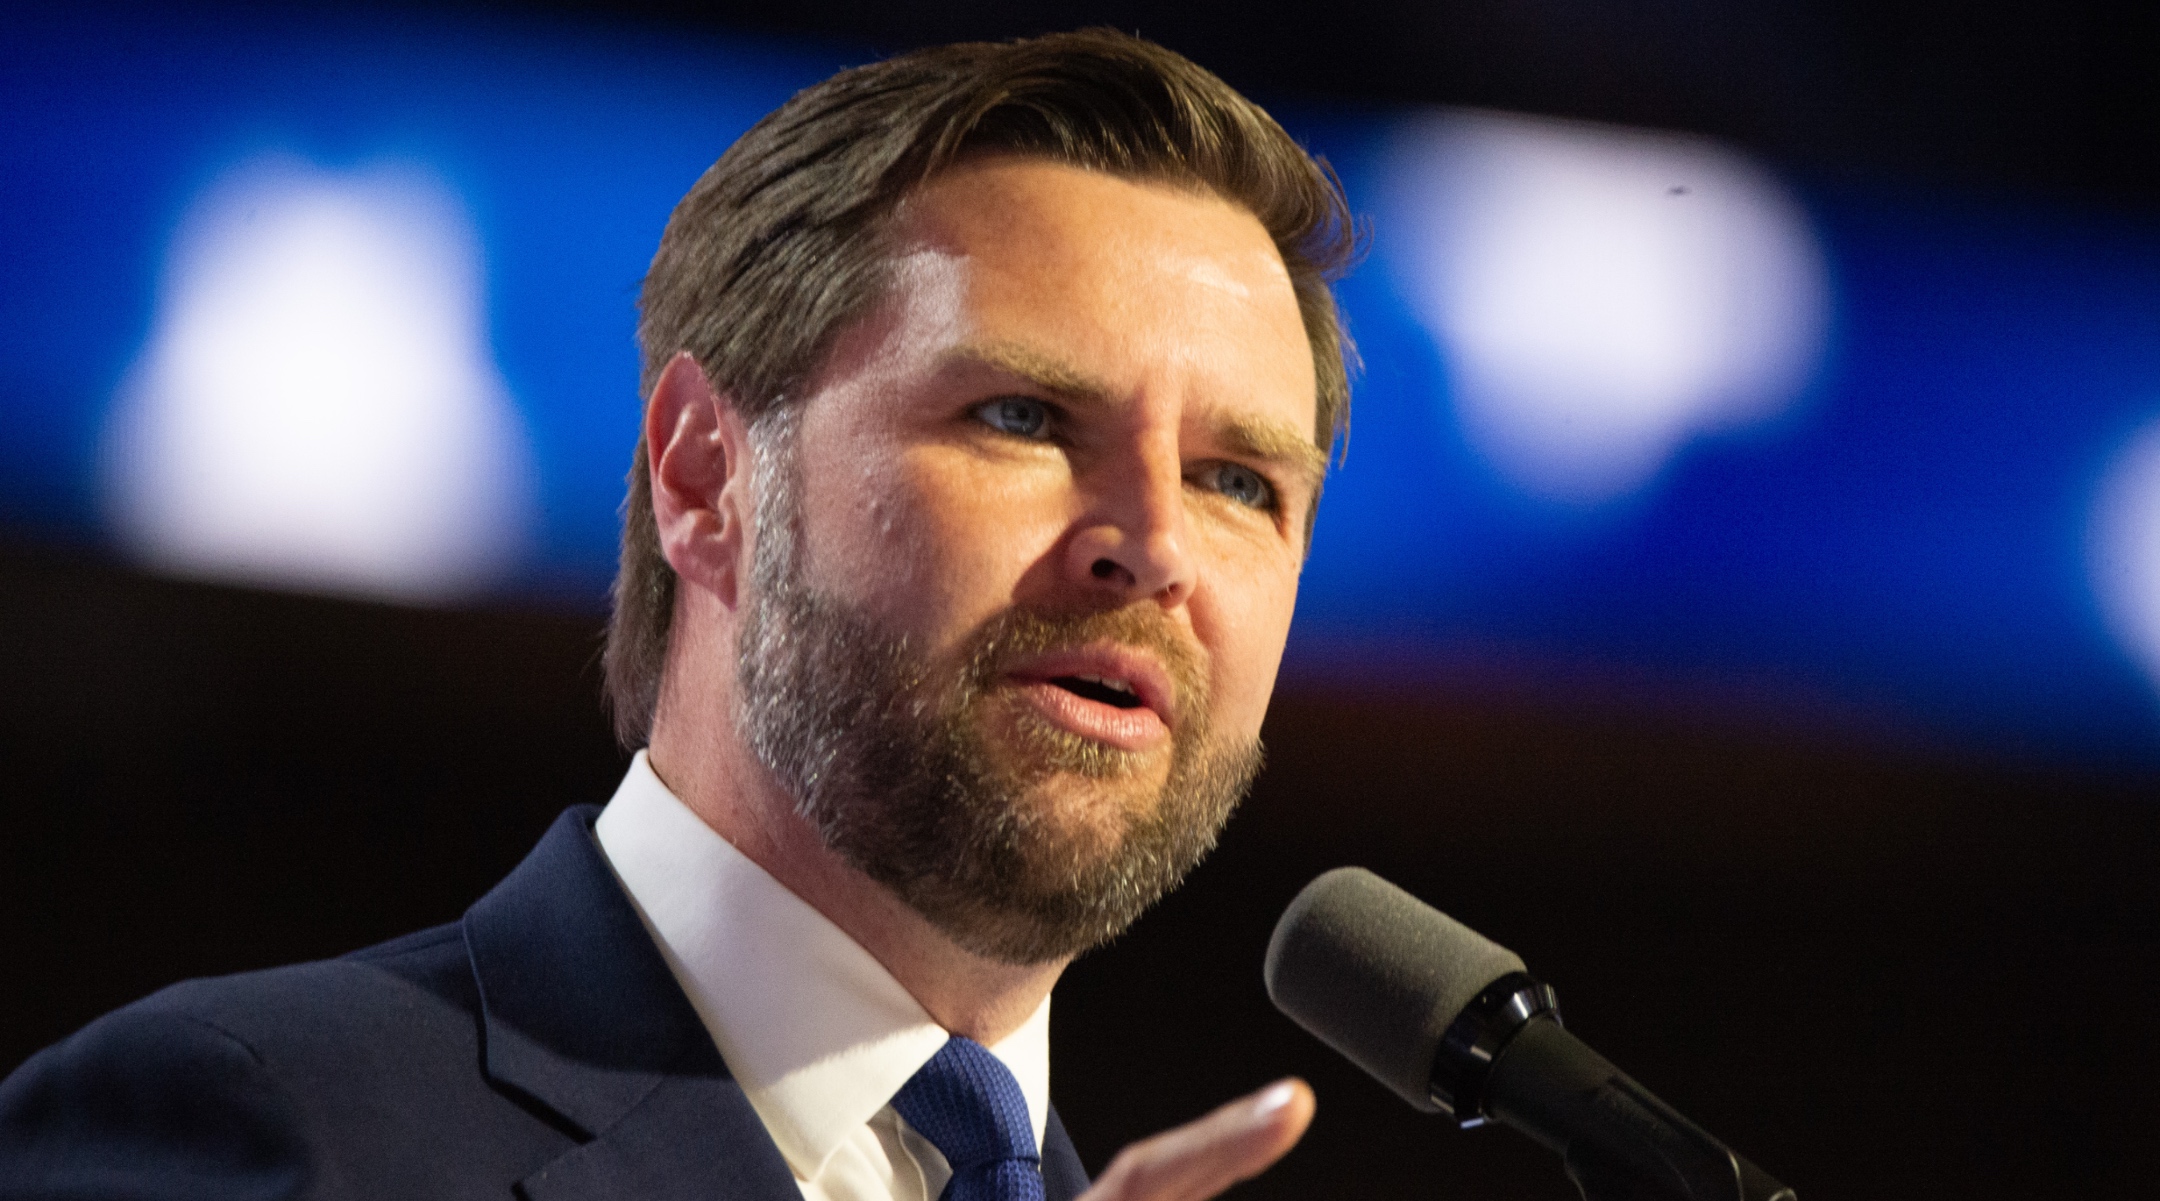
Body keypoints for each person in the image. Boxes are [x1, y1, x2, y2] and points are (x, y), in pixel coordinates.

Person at [0, 28, 1355, 1201]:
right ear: (706, 477)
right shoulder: (259, 1121)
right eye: (1022, 416)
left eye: (1239, 480)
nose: (1156, 546)